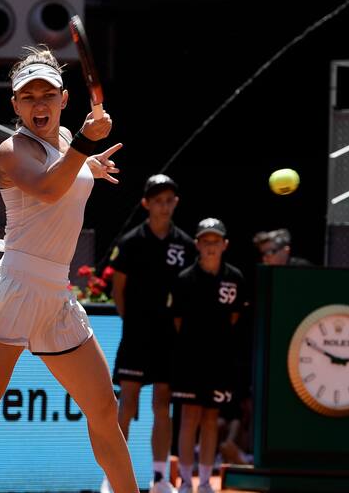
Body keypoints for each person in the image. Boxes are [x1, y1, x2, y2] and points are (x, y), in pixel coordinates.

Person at [0, 45, 138, 493]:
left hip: (56, 297)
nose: (39, 103)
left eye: (47, 94)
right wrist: (84, 147)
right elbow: (48, 189)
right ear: (15, 104)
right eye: (28, 96)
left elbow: (65, 173)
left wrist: (88, 165)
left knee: (103, 408)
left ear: (63, 99)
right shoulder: (10, 150)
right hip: (15, 289)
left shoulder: (65, 143)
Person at [105, 174, 196, 493]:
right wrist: (133, 322)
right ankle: (114, 475)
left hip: (168, 338)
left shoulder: (186, 245)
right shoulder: (131, 242)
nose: (164, 206)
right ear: (146, 204)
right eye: (158, 200)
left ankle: (159, 478)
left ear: (176, 203)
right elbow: (118, 289)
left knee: (163, 403)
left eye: (169, 200)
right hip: (136, 336)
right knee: (126, 402)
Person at [170, 218, 246, 493]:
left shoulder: (234, 278)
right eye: (206, 241)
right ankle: (186, 482)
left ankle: (204, 482)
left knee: (212, 418)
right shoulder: (184, 279)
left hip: (220, 360)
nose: (211, 246)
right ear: (197, 244)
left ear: (225, 245)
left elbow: (234, 317)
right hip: (190, 359)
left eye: (216, 241)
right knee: (189, 417)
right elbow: (177, 320)